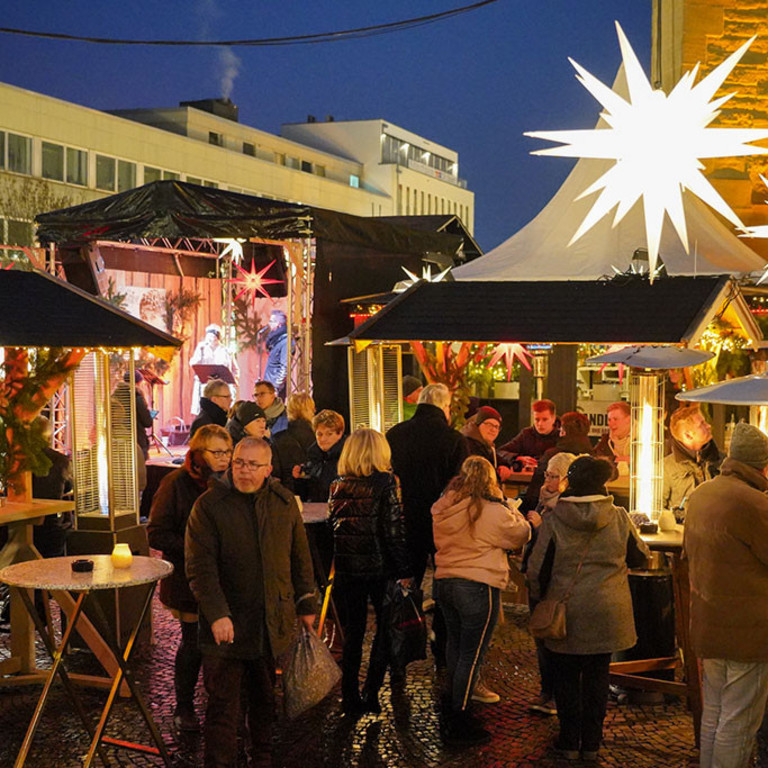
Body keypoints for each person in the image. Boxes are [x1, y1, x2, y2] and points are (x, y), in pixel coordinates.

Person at [186, 437, 317, 768]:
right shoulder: (209, 506)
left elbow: (300, 558)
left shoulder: (283, 502)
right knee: (223, 705)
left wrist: (305, 604)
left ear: (268, 469)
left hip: (269, 621)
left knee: (264, 700)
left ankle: (262, 757)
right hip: (226, 626)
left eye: (252, 465)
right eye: (239, 462)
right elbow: (200, 567)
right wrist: (217, 614)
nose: (244, 470)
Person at [527, 456, 649, 761]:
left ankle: (569, 742)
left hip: (566, 612)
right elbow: (640, 558)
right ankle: (592, 744)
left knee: (566, 676)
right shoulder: (619, 517)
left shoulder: (555, 519)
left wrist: (540, 598)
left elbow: (536, 569)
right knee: (598, 677)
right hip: (607, 611)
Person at [684, 422, 768, 768]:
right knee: (739, 721)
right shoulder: (754, 504)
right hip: (749, 632)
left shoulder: (703, 494)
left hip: (709, 622)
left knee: (714, 713)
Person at [432, 455, 531, 745]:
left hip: (445, 583)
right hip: (477, 585)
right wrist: (521, 514)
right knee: (472, 654)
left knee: (455, 646)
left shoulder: (445, 507)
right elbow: (519, 535)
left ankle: (453, 705)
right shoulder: (491, 510)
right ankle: (458, 718)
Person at [147, 424, 233, 733]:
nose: (224, 459)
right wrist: (195, 545)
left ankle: (223, 704)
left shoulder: (233, 483)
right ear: (198, 453)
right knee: (193, 642)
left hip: (226, 580)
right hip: (187, 579)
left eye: (228, 452)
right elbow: (157, 532)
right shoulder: (176, 484)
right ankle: (184, 705)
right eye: (217, 452)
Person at [328, 428, 411, 715]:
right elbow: (394, 530)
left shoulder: (338, 484)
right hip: (380, 568)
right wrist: (404, 569)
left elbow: (334, 529)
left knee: (354, 633)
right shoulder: (387, 482)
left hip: (349, 570)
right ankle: (372, 691)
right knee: (385, 631)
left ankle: (350, 695)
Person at [386, 383, 469, 670]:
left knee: (406, 585)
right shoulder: (454, 439)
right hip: (442, 523)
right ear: (444, 407)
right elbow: (458, 484)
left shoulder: (395, 434)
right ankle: (441, 641)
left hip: (405, 520)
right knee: (445, 582)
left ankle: (399, 643)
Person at [524, 451, 579, 718]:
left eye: (554, 476)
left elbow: (558, 544)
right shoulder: (543, 499)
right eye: (547, 474)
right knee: (541, 638)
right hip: (538, 577)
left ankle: (557, 694)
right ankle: (547, 690)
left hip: (554, 579)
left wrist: (538, 526)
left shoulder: (567, 507)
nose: (548, 480)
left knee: (554, 638)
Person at [522, 411, 594, 511]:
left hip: (550, 511)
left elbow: (535, 490)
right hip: (581, 511)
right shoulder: (592, 458)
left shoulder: (552, 455)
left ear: (563, 431)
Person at [662, 404, 722, 517]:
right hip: (681, 532)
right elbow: (655, 509)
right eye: (702, 424)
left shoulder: (721, 462)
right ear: (688, 435)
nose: (708, 426)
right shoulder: (665, 468)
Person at [293, 409, 346, 502]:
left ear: (340, 434)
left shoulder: (348, 458)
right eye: (319, 434)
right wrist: (299, 479)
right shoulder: (313, 457)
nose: (323, 439)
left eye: (329, 434)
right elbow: (306, 493)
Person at [190, 324, 239, 416]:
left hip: (222, 386)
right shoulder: (202, 349)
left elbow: (235, 369)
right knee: (207, 409)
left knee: (222, 410)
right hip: (205, 385)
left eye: (213, 337)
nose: (211, 339)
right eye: (209, 337)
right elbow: (193, 363)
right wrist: (199, 352)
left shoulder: (225, 351)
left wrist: (234, 381)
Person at [270, 391, 316, 492]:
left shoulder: (278, 438)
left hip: (288, 493)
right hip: (315, 492)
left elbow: (275, 473)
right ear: (310, 410)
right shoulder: (320, 438)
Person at [499, 399, 561, 470]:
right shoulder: (526, 434)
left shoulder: (562, 435)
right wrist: (517, 458)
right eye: (537, 419)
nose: (540, 424)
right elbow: (501, 452)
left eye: (545, 419)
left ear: (553, 418)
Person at [460, 406, 513, 483]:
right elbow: (481, 474)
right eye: (489, 424)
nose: (493, 430)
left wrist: (504, 466)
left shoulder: (486, 445)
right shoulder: (468, 445)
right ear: (477, 424)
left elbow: (498, 460)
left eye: (497, 426)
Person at [593, 401, 631, 466]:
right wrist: (616, 459)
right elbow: (595, 457)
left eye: (615, 419)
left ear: (628, 420)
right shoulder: (606, 440)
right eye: (609, 420)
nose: (611, 423)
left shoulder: (643, 439)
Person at [263, 310, 289, 400]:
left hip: (274, 388)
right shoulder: (275, 340)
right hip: (269, 385)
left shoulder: (285, 341)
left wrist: (276, 386)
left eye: (271, 321)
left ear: (279, 324)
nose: (269, 324)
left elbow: (284, 367)